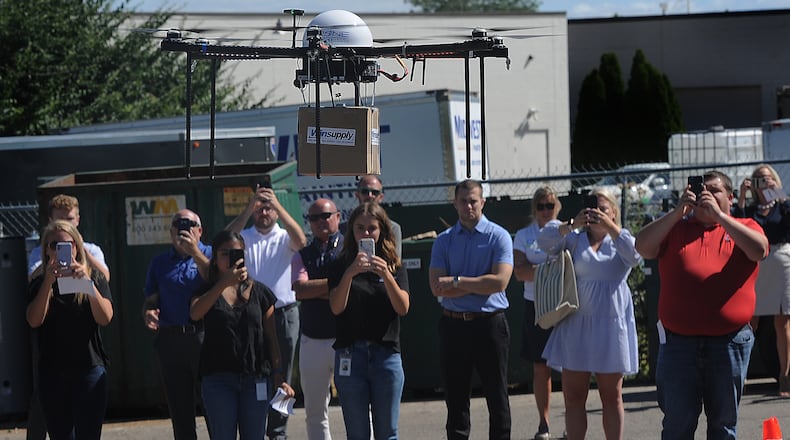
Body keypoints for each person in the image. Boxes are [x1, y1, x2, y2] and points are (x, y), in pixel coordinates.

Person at [635, 170, 768, 439]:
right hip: (679, 345)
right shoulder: (676, 228)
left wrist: (720, 217)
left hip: (729, 343)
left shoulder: (745, 226)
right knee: (677, 426)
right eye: (700, 189)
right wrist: (676, 212)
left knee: (723, 425)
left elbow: (759, 250)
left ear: (730, 196)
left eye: (714, 190)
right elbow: (643, 246)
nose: (705, 193)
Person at [537, 188, 641, 440]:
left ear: (614, 212)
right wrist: (572, 223)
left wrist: (611, 227)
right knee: (573, 396)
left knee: (611, 396)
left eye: (603, 209)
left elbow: (636, 255)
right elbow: (543, 241)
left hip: (611, 326)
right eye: (593, 209)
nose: (597, 214)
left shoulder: (620, 239)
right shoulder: (575, 238)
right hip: (576, 325)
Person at [190, 230, 296, 440]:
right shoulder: (206, 291)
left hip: (255, 377)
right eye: (224, 253)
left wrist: (278, 375)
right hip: (218, 379)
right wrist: (224, 283)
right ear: (214, 257)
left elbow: (271, 337)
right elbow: (195, 313)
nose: (230, 258)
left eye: (236, 253)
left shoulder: (261, 292)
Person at [429, 179, 514, 440]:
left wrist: (457, 282)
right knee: (455, 398)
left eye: (473, 201)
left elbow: (499, 281)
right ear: (454, 203)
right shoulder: (443, 241)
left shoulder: (498, 236)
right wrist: (479, 284)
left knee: (496, 395)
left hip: (489, 324)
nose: (468, 206)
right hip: (454, 325)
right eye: (463, 201)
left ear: (482, 202)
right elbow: (436, 287)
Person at [26, 194, 111, 440]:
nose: (61, 251)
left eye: (67, 245)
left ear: (77, 246)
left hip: (88, 368)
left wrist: (85, 282)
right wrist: (50, 281)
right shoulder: (42, 281)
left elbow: (105, 317)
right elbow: (34, 320)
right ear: (46, 249)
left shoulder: (91, 278)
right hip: (53, 373)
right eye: (54, 246)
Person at [226, 184, 307, 440]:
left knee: (282, 374)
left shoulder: (284, 237)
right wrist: (251, 205)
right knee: (253, 371)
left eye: (268, 208)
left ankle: (278, 431)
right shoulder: (245, 237)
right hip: (249, 315)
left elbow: (302, 240)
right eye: (260, 208)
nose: (264, 212)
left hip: (284, 312)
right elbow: (226, 237)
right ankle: (255, 429)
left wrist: (276, 204)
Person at [327, 202, 410, 440]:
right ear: (351, 231)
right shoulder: (340, 265)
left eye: (371, 228)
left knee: (388, 433)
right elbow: (336, 307)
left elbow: (403, 307)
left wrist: (386, 275)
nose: (366, 233)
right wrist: (350, 274)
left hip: (386, 356)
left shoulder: (394, 266)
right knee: (357, 433)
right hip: (350, 356)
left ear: (382, 230)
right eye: (360, 228)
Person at [142, 209, 212, 440]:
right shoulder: (159, 262)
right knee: (180, 410)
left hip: (205, 339)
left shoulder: (210, 254)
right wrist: (148, 313)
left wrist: (194, 252)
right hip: (171, 339)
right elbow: (151, 300)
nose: (184, 229)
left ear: (200, 230)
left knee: (213, 405)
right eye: (178, 226)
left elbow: (217, 281)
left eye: (190, 224)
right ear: (171, 232)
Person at [734, 164, 790, 397]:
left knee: (783, 322)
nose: (763, 182)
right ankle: (739, 376)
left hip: (781, 262)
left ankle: (785, 377)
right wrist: (743, 197)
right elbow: (737, 225)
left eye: (767, 178)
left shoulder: (784, 205)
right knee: (748, 322)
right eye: (758, 179)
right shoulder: (750, 209)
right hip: (755, 265)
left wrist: (778, 193)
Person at [512, 186, 562, 440]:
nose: (545, 210)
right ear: (534, 209)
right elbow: (520, 272)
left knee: (572, 368)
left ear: (557, 207)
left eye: (550, 205)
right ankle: (544, 424)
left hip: (565, 305)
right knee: (541, 368)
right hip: (535, 306)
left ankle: (572, 424)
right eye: (540, 206)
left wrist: (537, 269)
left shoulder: (567, 231)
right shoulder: (523, 235)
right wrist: (554, 268)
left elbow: (574, 268)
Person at [292, 199, 343, 440]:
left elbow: (355, 288)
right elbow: (300, 290)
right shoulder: (303, 254)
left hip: (345, 337)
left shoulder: (349, 248)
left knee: (358, 405)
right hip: (312, 339)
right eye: (314, 218)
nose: (320, 222)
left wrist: (319, 289)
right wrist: (337, 285)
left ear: (338, 217)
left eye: (325, 216)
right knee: (314, 410)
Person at [28, 194, 109, 281]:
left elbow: (105, 277)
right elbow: (31, 278)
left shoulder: (92, 249)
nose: (66, 224)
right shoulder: (41, 251)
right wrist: (50, 259)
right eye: (60, 220)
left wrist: (82, 250)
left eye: (70, 219)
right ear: (51, 220)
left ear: (77, 220)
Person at [346, 175, 402, 258]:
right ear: (357, 195)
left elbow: (396, 262)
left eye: (375, 192)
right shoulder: (347, 226)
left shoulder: (393, 228)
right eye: (365, 191)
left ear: (381, 197)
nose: (370, 195)